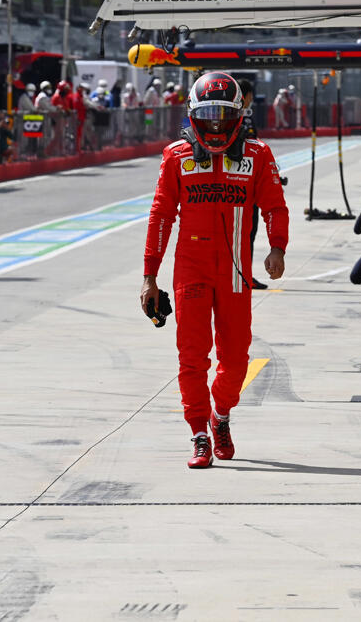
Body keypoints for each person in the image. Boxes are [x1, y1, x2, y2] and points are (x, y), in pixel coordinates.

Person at [140, 71, 289, 469]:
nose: (217, 123)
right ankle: (199, 434)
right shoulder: (176, 155)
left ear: (239, 113)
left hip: (237, 272)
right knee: (192, 357)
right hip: (190, 270)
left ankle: (220, 415)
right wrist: (149, 277)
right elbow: (160, 217)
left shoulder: (258, 155)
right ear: (193, 113)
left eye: (224, 114)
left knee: (236, 358)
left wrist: (277, 248)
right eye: (208, 114)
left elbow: (275, 205)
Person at [238, 78, 269, 290]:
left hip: (247, 179)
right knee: (247, 231)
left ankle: (243, 273)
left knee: (248, 231)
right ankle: (243, 274)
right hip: (244, 182)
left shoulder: (243, 117)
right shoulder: (240, 117)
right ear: (247, 96)